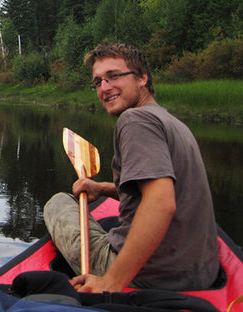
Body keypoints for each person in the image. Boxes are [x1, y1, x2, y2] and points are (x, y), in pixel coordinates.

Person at [43, 41, 219, 293]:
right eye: (98, 82)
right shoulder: (171, 121)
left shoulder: (134, 120)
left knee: (58, 202)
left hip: (150, 276)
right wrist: (102, 188)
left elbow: (161, 202)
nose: (105, 87)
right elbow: (155, 190)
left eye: (114, 76)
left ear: (142, 78)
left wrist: (112, 282)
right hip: (202, 274)